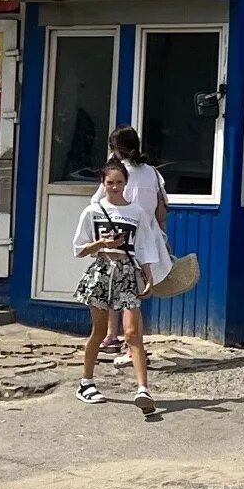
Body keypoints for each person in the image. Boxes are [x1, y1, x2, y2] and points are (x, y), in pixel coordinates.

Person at [72, 159, 168, 412]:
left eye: (119, 182)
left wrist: (148, 276)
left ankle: (143, 389)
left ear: (126, 183)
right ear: (102, 184)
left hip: (127, 271)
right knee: (100, 331)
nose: (114, 187)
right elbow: (79, 249)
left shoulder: (136, 212)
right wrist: (101, 244)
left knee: (132, 333)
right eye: (109, 183)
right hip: (102, 271)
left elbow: (145, 247)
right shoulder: (92, 211)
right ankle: (86, 382)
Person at [107, 126, 168, 231]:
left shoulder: (115, 174)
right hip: (150, 237)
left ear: (116, 149)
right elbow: (161, 214)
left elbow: (98, 204)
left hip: (123, 237)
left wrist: (109, 166)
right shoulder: (153, 173)